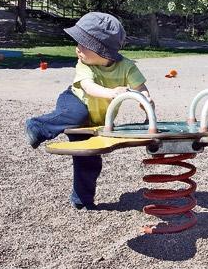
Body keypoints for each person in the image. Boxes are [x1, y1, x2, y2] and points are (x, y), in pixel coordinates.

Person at [24, 12, 154, 210]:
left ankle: (82, 200)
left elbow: (141, 89)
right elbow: (88, 87)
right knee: (77, 114)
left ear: (102, 50)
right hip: (75, 100)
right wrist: (112, 93)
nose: (78, 49)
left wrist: (145, 100)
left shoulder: (127, 67)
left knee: (89, 159)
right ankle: (38, 125)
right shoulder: (84, 65)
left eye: (83, 45)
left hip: (96, 119)